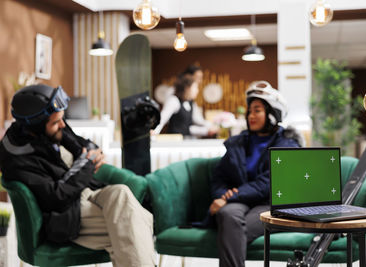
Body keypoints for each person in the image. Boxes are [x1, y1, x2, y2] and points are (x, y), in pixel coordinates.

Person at [0, 84, 155, 267]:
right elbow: (56, 197)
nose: (63, 125)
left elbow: (80, 143)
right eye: (56, 122)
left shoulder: (51, 127)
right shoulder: (17, 156)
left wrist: (91, 152)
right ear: (36, 127)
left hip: (85, 191)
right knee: (136, 223)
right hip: (65, 214)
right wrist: (87, 163)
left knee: (122, 194)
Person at [208, 81, 302, 267]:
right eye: (249, 111)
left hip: (271, 204)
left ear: (273, 113)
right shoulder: (238, 142)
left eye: (257, 110)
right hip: (238, 202)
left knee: (233, 229)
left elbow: (268, 183)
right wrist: (221, 196)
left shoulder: (287, 144)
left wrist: (232, 195)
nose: (250, 116)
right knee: (227, 215)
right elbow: (220, 177)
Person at [153, 74, 217, 137]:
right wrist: (154, 131)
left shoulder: (191, 103)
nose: (197, 91)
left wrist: (211, 127)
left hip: (186, 141)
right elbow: (162, 119)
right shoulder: (174, 100)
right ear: (187, 88)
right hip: (174, 141)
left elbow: (197, 121)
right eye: (195, 87)